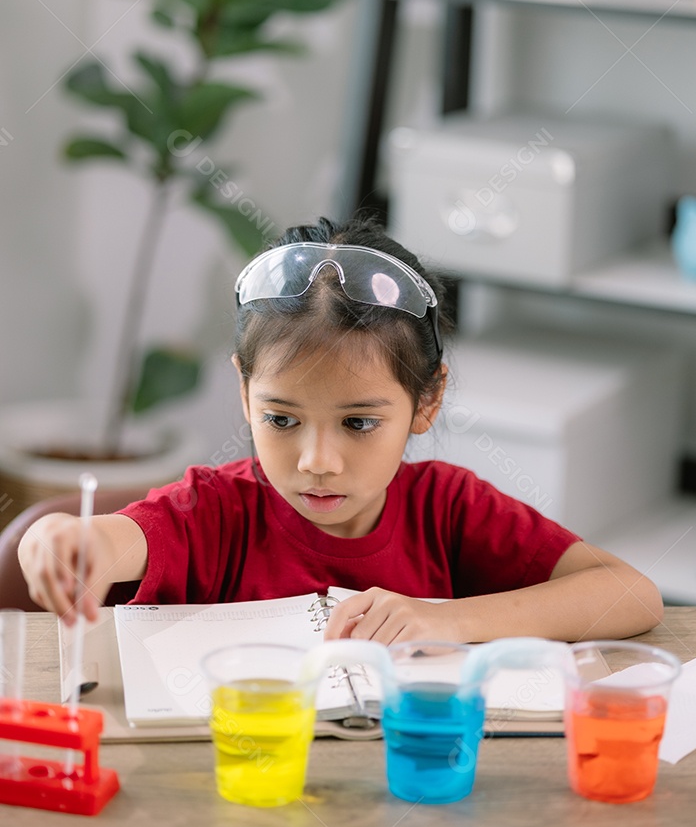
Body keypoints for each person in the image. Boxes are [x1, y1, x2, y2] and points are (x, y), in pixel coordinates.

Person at [18, 215, 663, 644]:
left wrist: (445, 620)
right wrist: (59, 538)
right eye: (281, 419)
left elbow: (631, 594)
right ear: (244, 393)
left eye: (358, 422)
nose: (316, 460)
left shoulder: (448, 509)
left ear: (427, 400)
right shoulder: (213, 513)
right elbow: (108, 539)